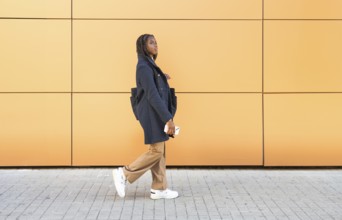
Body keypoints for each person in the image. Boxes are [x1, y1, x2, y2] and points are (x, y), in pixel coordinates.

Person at [112, 34, 178, 200]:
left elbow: (153, 86)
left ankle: (159, 188)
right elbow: (152, 94)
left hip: (154, 113)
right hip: (151, 114)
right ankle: (124, 173)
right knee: (156, 151)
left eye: (156, 42)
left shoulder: (150, 65)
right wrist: (167, 118)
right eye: (151, 42)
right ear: (143, 46)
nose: (155, 45)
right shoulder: (143, 66)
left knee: (160, 151)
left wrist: (163, 78)